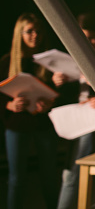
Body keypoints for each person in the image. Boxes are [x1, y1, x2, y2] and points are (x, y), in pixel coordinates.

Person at [55, 13, 95, 209]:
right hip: (77, 122)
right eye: (84, 37)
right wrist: (60, 83)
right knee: (71, 174)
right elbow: (69, 97)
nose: (88, 42)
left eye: (92, 37)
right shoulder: (72, 59)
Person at [0, 12, 59, 209]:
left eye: (39, 31)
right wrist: (9, 105)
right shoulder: (6, 62)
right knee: (17, 179)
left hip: (44, 125)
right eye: (30, 31)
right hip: (16, 126)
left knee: (50, 176)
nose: (35, 35)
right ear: (19, 34)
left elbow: (60, 96)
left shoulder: (48, 62)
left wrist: (49, 103)